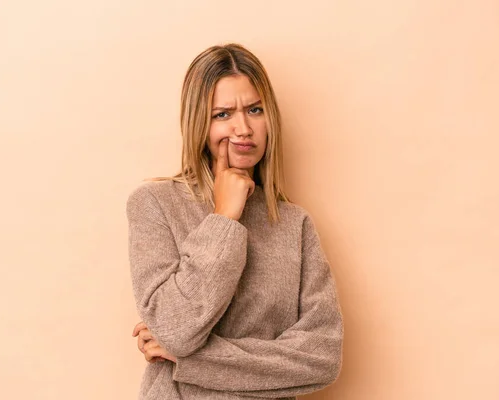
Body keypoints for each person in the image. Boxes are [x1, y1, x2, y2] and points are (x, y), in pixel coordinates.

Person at [126, 43, 343, 400]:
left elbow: (321, 358)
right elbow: (177, 329)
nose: (243, 128)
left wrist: (193, 361)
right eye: (223, 114)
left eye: (254, 110)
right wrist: (224, 217)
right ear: (199, 123)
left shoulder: (295, 224)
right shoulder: (154, 205)